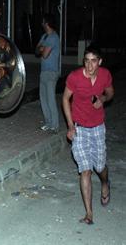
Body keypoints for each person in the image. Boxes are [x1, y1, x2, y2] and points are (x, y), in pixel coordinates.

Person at [62, 46, 114, 225]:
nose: (89, 65)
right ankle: (89, 213)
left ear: (99, 61)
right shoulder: (75, 77)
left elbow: (110, 92)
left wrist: (103, 99)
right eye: (86, 60)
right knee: (85, 169)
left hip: (98, 127)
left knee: (99, 167)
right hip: (80, 128)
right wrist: (70, 125)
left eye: (93, 60)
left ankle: (106, 183)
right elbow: (65, 99)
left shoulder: (105, 74)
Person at [35, 13, 60, 132]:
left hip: (51, 72)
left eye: (43, 22)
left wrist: (42, 49)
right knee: (43, 98)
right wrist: (41, 49)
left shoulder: (53, 37)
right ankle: (48, 122)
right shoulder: (44, 36)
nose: (42, 24)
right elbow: (36, 50)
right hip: (43, 71)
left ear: (47, 23)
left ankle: (55, 125)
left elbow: (44, 54)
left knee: (50, 99)